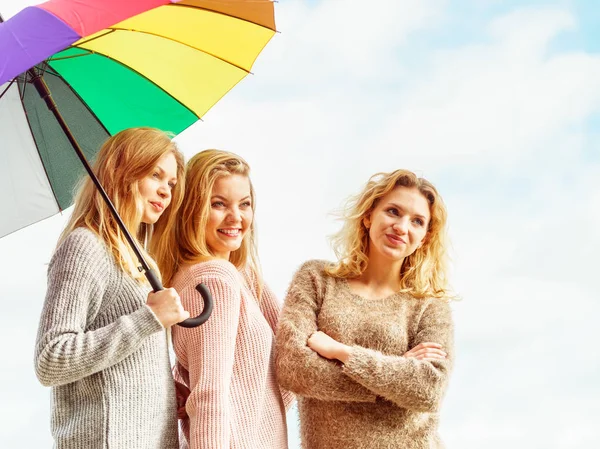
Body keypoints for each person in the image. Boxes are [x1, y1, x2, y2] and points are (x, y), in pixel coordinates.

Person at [275, 169, 455, 449]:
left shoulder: (430, 305)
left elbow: (428, 390)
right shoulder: (316, 280)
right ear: (369, 215)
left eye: (417, 221)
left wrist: (341, 353)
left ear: (425, 237)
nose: (402, 227)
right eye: (393, 211)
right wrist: (396, 374)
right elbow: (292, 367)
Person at [34, 127, 190, 449]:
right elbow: (51, 359)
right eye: (155, 175)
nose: (165, 191)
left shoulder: (141, 259)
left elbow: (121, 364)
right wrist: (148, 318)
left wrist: (162, 388)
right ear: (123, 171)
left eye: (171, 184)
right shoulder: (85, 246)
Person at [154, 149, 294, 449]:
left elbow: (293, 359)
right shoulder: (213, 278)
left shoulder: (240, 276)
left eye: (245, 204)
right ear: (191, 209)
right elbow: (209, 393)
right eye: (218, 204)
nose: (236, 217)